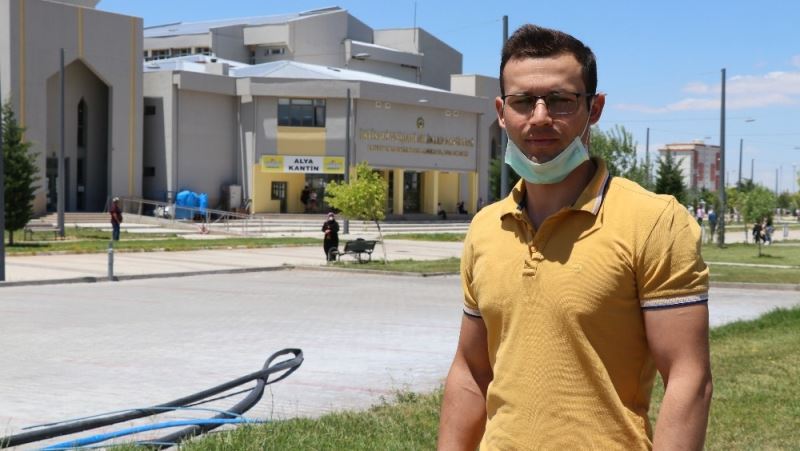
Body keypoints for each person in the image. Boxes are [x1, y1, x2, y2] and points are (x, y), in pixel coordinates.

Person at [438, 25, 711, 450]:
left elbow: (688, 377)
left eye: (561, 100)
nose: (540, 117)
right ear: (501, 112)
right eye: (523, 101)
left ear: (594, 108)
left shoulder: (655, 221)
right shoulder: (486, 227)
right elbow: (472, 369)